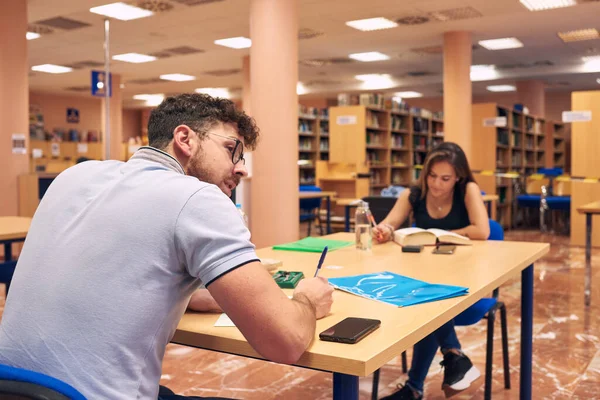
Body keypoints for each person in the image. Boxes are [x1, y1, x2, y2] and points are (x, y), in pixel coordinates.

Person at [0, 93, 334, 400]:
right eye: (232, 150)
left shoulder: (74, 176)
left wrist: (194, 295)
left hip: (13, 388)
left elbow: (122, 274)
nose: (242, 168)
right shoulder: (198, 197)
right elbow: (286, 341)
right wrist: (307, 299)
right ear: (185, 138)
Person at [372, 142, 490, 400]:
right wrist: (385, 230)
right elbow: (390, 222)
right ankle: (453, 356)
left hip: (465, 280)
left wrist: (443, 236)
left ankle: (415, 387)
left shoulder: (468, 190)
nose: (437, 184)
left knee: (428, 304)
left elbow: (483, 230)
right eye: (432, 176)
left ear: (458, 176)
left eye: (445, 178)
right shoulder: (413, 195)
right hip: (424, 277)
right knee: (426, 300)